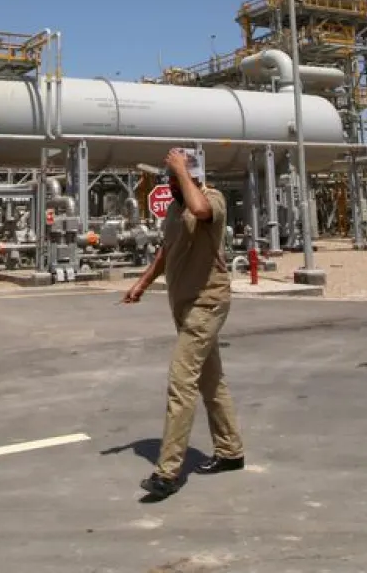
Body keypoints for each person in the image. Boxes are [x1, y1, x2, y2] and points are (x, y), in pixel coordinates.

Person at [122, 146, 245, 498]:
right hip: (183, 304)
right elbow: (167, 249)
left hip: (206, 303)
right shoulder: (176, 209)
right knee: (211, 381)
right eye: (170, 180)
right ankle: (230, 451)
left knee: (181, 382)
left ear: (192, 177)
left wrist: (182, 170)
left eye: (175, 179)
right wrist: (142, 283)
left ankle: (168, 472)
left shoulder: (212, 199)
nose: (170, 185)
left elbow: (201, 210)